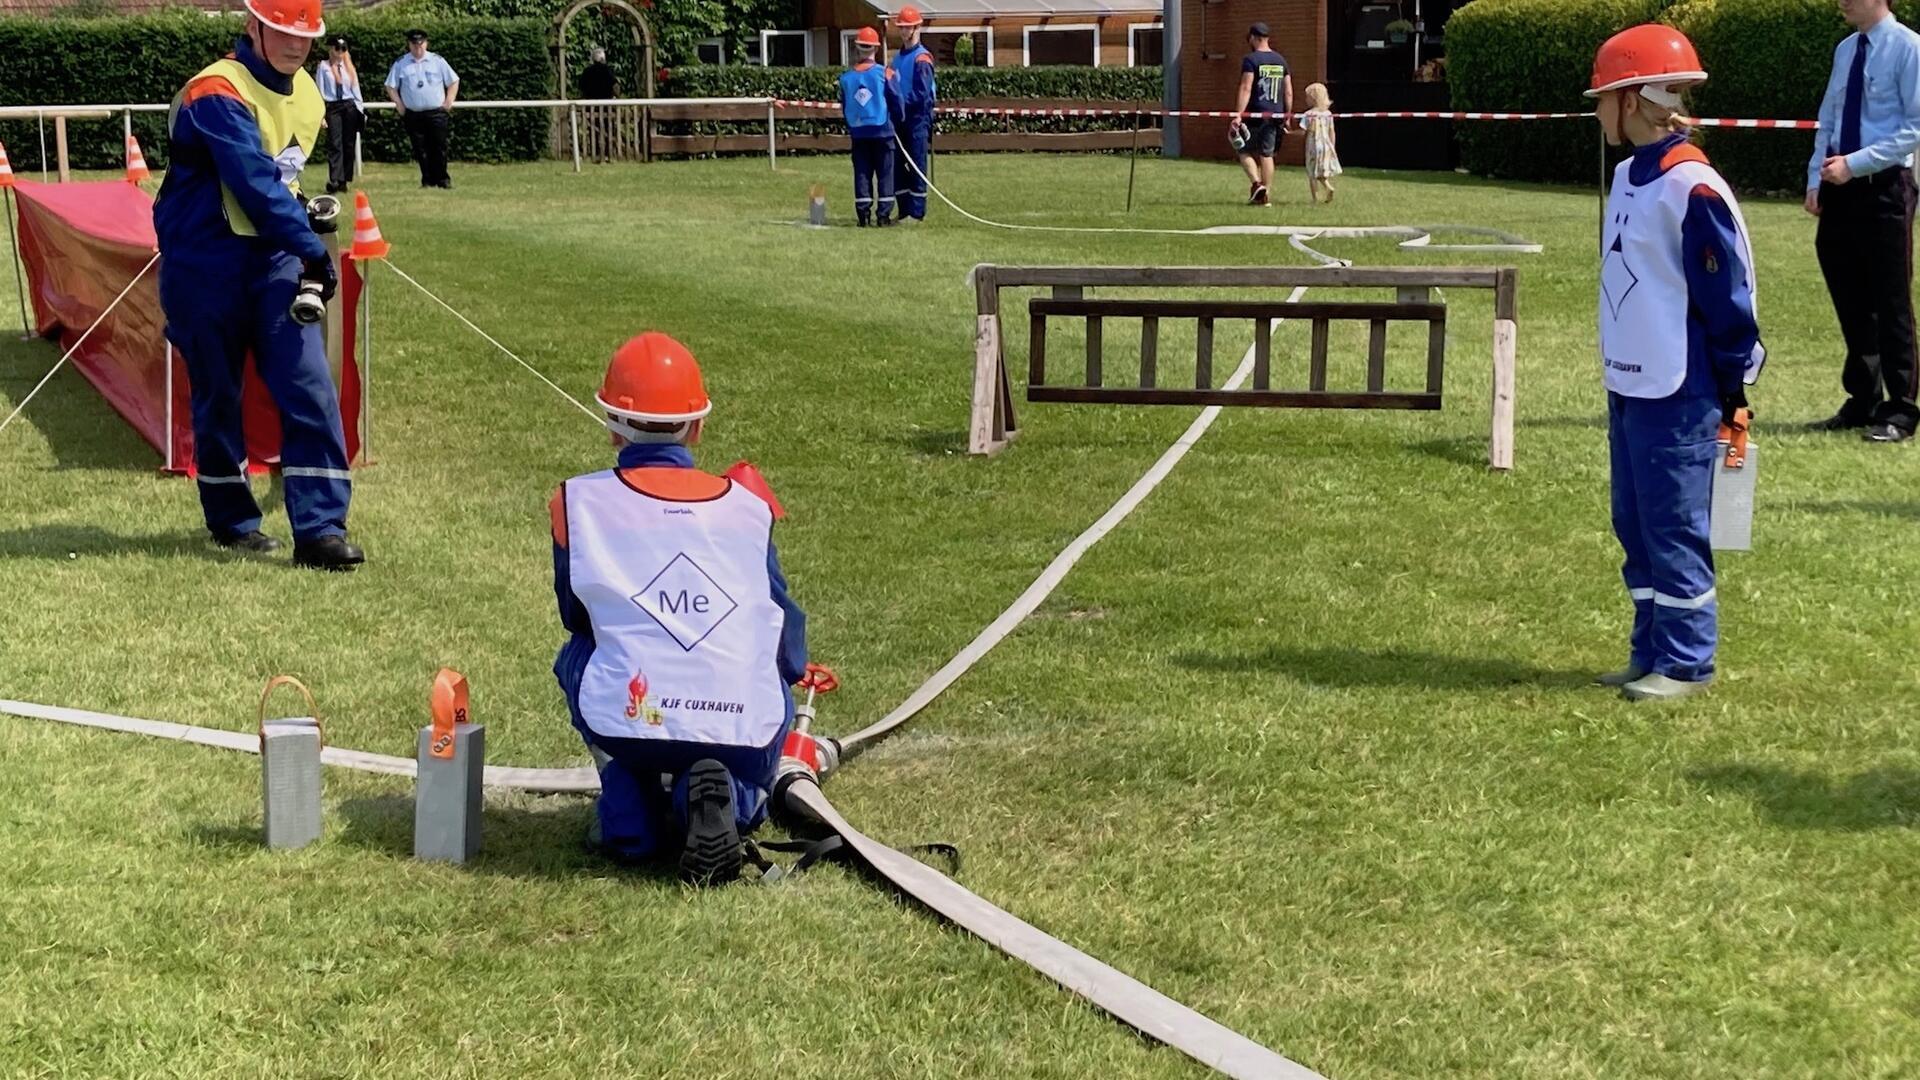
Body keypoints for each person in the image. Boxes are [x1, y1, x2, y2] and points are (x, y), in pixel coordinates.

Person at [550, 333, 830, 884]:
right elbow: (780, 620)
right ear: (698, 426)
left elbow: (576, 614)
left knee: (576, 658)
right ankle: (727, 797)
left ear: (611, 425)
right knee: (743, 758)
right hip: (740, 724)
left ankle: (628, 817)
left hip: (627, 717)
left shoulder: (574, 502)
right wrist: (792, 673)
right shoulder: (749, 508)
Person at [153, 0, 364, 571]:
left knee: (308, 383)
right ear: (254, 27)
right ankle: (232, 522)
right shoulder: (213, 91)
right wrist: (313, 250)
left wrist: (302, 232)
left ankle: (321, 529)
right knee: (218, 394)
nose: (297, 45)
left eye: (305, 35)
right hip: (205, 264)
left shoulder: (312, 96)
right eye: (282, 32)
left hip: (272, 260)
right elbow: (253, 184)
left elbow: (284, 183)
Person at [1588, 24, 1764, 701]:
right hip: (1630, 379)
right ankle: (1650, 647)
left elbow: (1728, 296)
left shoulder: (1692, 186)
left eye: (1604, 98)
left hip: (1680, 384)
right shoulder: (1630, 174)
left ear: (1634, 100)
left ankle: (1688, 661)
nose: (1598, 110)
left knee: (1673, 524)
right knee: (1634, 521)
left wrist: (1730, 385)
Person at [1805, 0, 1920, 443]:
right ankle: (1863, 400)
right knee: (1850, 297)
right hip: (1839, 188)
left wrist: (1854, 163)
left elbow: (1913, 127)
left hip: (1885, 187)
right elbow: (1829, 117)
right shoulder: (1845, 49)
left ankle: (1902, 410)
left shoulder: (1909, 49)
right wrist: (1816, 176)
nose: (1842, 2)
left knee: (1891, 301)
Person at [840, 27, 900, 227]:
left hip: (858, 133)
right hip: (883, 131)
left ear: (857, 48)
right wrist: (899, 120)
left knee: (862, 174)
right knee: (885, 174)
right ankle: (883, 216)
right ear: (876, 48)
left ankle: (863, 216)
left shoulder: (846, 79)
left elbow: (844, 105)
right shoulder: (885, 73)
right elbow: (896, 100)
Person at [386, 29, 459, 189]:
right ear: (409, 44)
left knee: (439, 147)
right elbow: (391, 86)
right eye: (414, 44)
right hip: (413, 114)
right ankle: (427, 180)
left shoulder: (437, 61)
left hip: (436, 113)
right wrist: (400, 105)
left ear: (426, 43)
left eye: (420, 44)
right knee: (420, 149)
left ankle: (443, 179)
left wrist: (448, 101)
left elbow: (453, 81)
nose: (417, 47)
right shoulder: (401, 63)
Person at [1232, 23, 1291, 207]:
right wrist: (1287, 114)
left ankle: (1257, 184)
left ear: (1254, 38)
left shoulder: (1251, 60)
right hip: (1275, 115)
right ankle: (1266, 194)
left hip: (1254, 114)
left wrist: (1238, 114)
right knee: (1267, 154)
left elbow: (1246, 87)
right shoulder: (1281, 60)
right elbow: (1288, 91)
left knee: (1243, 149)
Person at [889, 6, 936, 221]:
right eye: (901, 27)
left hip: (917, 120)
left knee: (917, 165)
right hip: (898, 120)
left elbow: (921, 93)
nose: (904, 31)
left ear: (917, 27)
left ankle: (916, 213)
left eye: (907, 27)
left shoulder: (922, 59)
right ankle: (904, 210)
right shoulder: (896, 59)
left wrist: (901, 104)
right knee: (897, 166)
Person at [314, 36, 363, 194]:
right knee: (335, 143)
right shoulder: (324, 67)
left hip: (349, 105)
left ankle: (344, 180)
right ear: (331, 49)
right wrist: (320, 114)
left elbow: (356, 90)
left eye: (343, 49)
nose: (340, 53)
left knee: (348, 143)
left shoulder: (349, 67)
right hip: (333, 106)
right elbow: (319, 90)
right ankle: (334, 178)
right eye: (337, 49)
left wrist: (360, 110)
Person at [1299, 82, 1341, 204]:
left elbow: (1303, 131)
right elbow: (1331, 131)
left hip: (1313, 146)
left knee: (1312, 173)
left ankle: (1315, 199)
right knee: (1321, 171)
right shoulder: (1328, 114)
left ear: (1313, 98)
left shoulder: (1308, 114)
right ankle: (1328, 187)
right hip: (1326, 146)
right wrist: (1332, 146)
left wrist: (1290, 133)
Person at [579, 46, 616, 164]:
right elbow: (615, 86)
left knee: (594, 131)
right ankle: (607, 154)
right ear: (603, 58)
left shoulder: (587, 71)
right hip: (607, 107)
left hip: (591, 107)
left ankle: (595, 154)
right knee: (608, 130)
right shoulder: (607, 70)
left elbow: (581, 88)